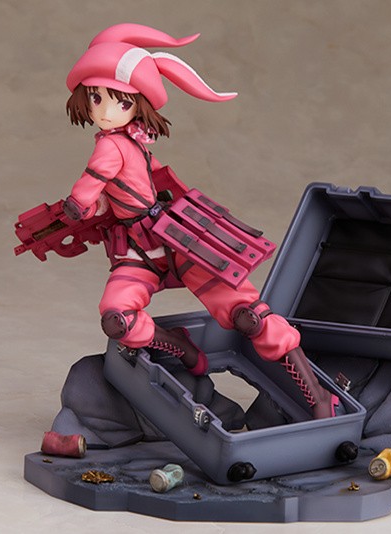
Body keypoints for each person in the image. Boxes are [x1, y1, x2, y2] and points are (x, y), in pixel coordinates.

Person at [63, 23, 338, 419]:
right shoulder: (130, 143)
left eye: (120, 101)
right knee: (120, 319)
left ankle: (318, 394)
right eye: (96, 98)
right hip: (139, 254)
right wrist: (88, 213)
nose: (105, 111)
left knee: (247, 315)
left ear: (137, 104)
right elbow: (121, 193)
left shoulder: (115, 147)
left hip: (175, 240)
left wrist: (77, 204)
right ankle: (179, 344)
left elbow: (93, 184)